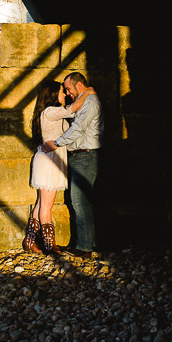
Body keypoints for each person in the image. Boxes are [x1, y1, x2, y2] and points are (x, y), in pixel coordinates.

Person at [24, 79, 94, 253]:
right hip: (49, 162)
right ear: (53, 94)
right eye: (63, 92)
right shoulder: (50, 111)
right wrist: (88, 92)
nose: (65, 95)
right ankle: (49, 245)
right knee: (46, 205)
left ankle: (30, 240)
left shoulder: (49, 112)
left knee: (41, 203)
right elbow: (72, 109)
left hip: (48, 160)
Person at [41, 72, 103, 256]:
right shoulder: (86, 100)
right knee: (80, 201)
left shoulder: (90, 102)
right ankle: (86, 243)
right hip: (78, 156)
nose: (67, 93)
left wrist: (57, 142)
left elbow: (79, 128)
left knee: (79, 201)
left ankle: (84, 247)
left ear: (78, 85)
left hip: (86, 156)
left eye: (68, 89)